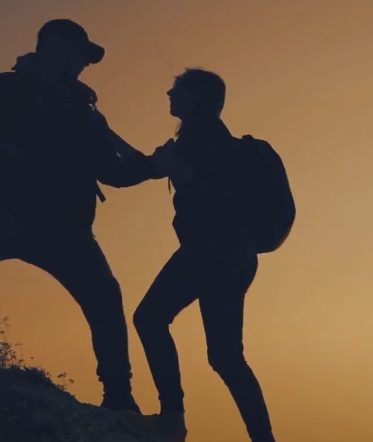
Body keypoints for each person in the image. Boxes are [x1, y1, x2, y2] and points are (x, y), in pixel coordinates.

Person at [0, 19, 162, 413]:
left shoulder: (83, 109)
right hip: (2, 209)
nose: (85, 65)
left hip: (62, 224)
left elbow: (112, 170)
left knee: (104, 298)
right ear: (55, 45)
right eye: (81, 54)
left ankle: (119, 397)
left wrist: (153, 166)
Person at [120, 69, 291, 442]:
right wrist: (103, 132)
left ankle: (171, 420)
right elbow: (138, 168)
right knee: (226, 356)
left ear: (196, 98)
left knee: (150, 318)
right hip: (237, 257)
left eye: (177, 89)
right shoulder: (211, 143)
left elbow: (206, 190)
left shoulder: (202, 142)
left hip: (209, 252)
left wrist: (177, 168)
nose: (168, 92)